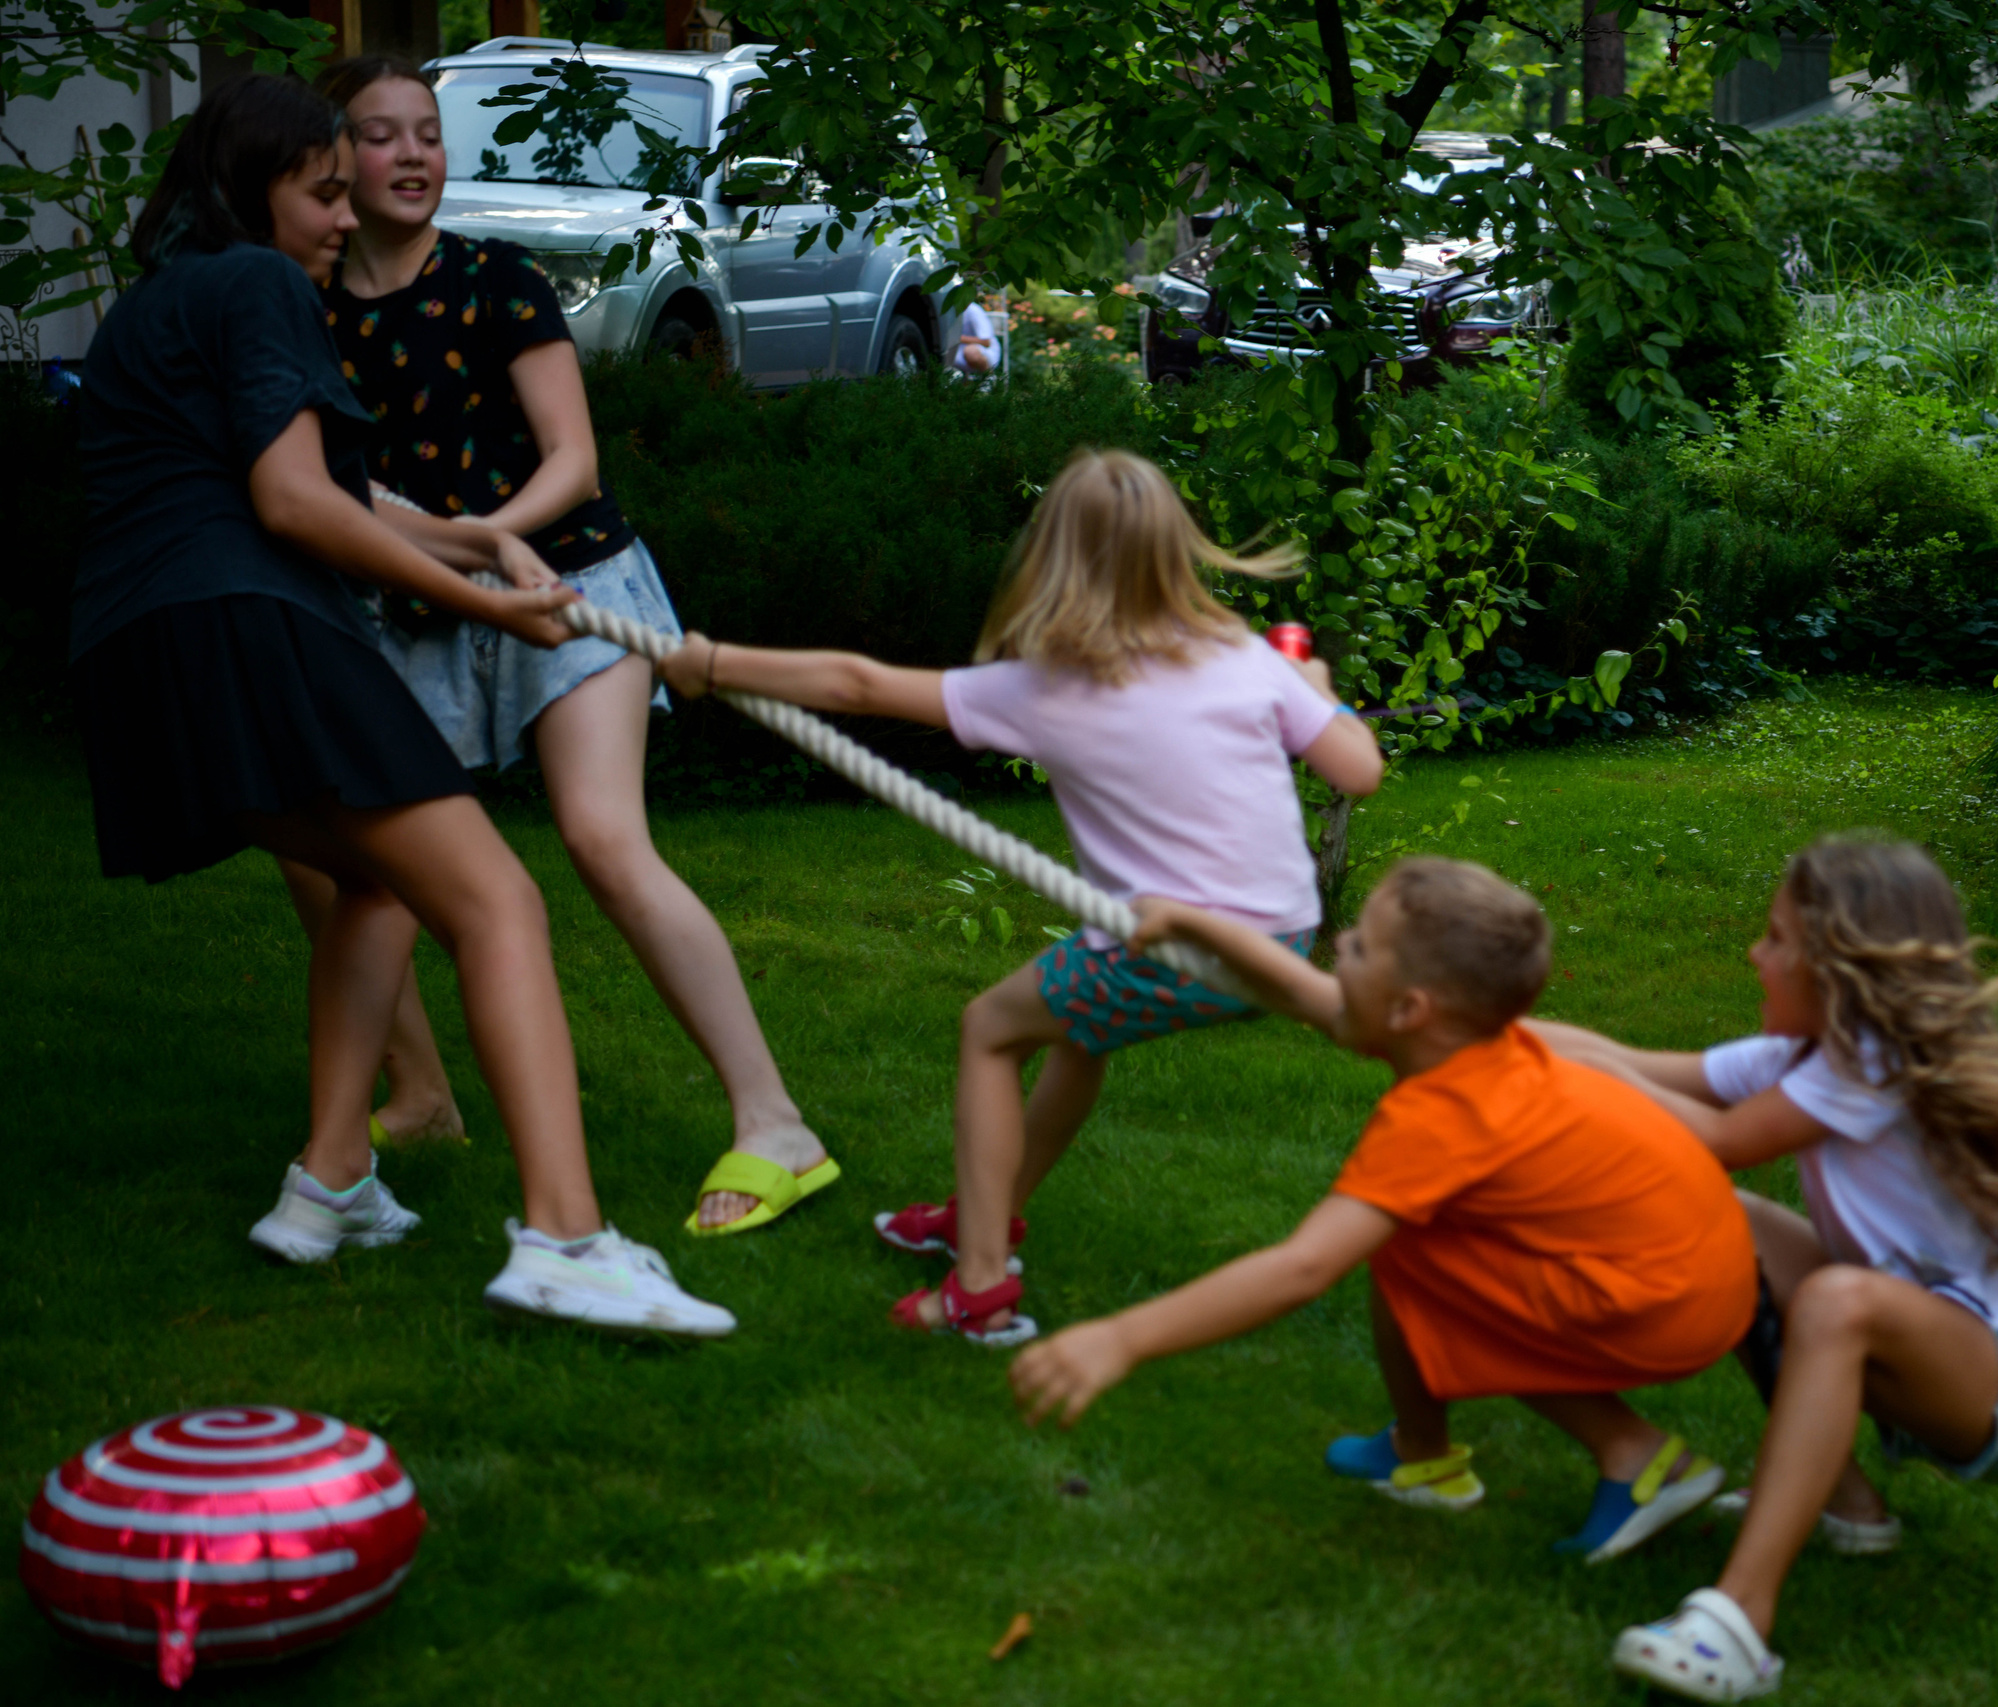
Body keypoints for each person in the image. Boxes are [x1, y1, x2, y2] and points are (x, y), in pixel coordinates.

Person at [68, 72, 732, 1334]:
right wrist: (489, 605)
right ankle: (567, 1240)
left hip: (135, 654)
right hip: (253, 626)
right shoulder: (262, 284)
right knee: (496, 902)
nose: (341, 217)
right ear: (252, 188)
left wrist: (475, 542)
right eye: (322, 192)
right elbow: (294, 506)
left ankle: (331, 1181)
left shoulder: (158, 302)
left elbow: (319, 488)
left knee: (375, 885)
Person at [653, 448, 1383, 1342]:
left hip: (1178, 951)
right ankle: (983, 1215)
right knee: (1076, 1037)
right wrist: (1318, 691)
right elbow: (1358, 770)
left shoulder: (1045, 687)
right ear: (1177, 549)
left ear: (1054, 558)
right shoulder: (1244, 656)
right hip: (1283, 944)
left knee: (989, 1029)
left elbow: (857, 684)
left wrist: (713, 661)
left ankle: (979, 1285)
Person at [296, 55, 828, 1235]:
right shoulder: (307, 311)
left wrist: (493, 543)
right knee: (343, 862)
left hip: (572, 577)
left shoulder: (500, 281)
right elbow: (330, 488)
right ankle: (419, 1096)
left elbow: (573, 462)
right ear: (333, 158)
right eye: (381, 135)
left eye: (427, 132)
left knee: (601, 837)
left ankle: (774, 1123)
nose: (414, 155)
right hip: (417, 604)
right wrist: (456, 557)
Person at [1533, 838, 1998, 1699]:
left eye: (1776, 938)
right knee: (1728, 1224)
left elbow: (1718, 1137)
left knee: (1836, 1300)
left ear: (1837, 967)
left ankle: (1738, 1624)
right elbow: (1633, 1064)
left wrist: (1565, 1069)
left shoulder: (1878, 1062)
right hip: (1949, 1345)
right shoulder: (1809, 1058)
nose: (1755, 953)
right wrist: (1486, 1026)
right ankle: (1847, 1507)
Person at [1008, 858, 1758, 1561]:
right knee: (1415, 1239)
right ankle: (1420, 1452)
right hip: (1708, 1268)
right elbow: (1303, 990)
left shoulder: (1440, 1119)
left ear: (1409, 1010)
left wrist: (1121, 1338)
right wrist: (1191, 921)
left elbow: (1303, 1267)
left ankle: (1637, 1455)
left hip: (1665, 1304)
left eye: (1361, 946)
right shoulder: (1483, 1046)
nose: (1340, 944)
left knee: (1404, 1243)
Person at [948, 297, 1002, 376]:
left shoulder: (973, 310)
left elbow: (986, 342)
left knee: (970, 352)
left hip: (984, 352)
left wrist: (956, 338)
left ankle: (988, 378)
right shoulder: (948, 309)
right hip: (957, 351)